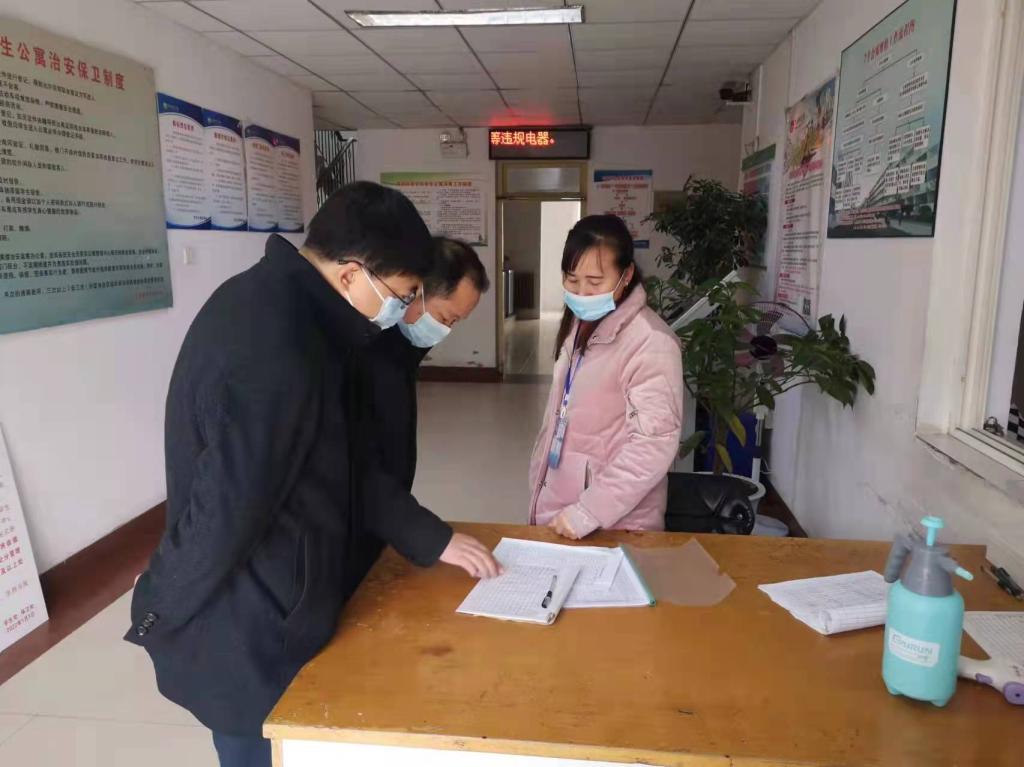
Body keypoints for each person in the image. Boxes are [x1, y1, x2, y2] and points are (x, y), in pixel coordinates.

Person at [124, 182, 498, 767]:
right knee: (255, 747)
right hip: (250, 630)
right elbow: (226, 509)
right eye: (400, 295)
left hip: (281, 597)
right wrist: (159, 604)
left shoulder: (287, 310)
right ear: (351, 275)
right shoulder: (277, 346)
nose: (398, 311)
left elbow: (335, 457)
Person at [345, 237, 491, 594]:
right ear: (414, 291)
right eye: (444, 317)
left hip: (382, 520)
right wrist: (431, 538)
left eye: (455, 322)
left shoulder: (402, 346)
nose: (445, 330)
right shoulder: (361, 351)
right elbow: (355, 468)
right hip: (350, 522)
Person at [527, 214, 684, 540]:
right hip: (562, 506)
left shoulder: (650, 342)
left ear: (626, 276)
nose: (582, 292)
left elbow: (653, 445)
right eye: (572, 279)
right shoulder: (580, 324)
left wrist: (589, 511)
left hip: (614, 522)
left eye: (595, 282)